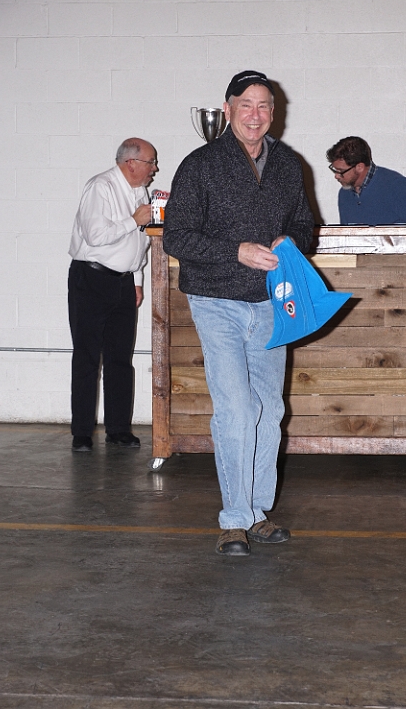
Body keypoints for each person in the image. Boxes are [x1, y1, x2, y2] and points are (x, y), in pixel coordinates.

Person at [164, 70, 314, 556]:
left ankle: (257, 513)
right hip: (217, 302)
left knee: (270, 409)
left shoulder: (288, 164)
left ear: (274, 112)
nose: (256, 114)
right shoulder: (200, 164)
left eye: (264, 105)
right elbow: (176, 237)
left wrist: (292, 240)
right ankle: (233, 520)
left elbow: (305, 224)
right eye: (246, 104)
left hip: (271, 303)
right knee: (237, 409)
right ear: (228, 109)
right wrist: (237, 251)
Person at [68, 137, 158, 452]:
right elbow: (95, 235)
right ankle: (82, 433)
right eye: (150, 162)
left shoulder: (140, 191)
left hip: (124, 282)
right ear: (130, 163)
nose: (154, 169)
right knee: (87, 357)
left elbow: (140, 241)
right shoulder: (100, 187)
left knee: (121, 358)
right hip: (92, 279)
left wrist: (138, 279)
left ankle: (118, 429)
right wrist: (134, 220)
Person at [326, 136, 406, 226]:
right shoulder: (345, 194)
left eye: (341, 171)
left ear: (359, 167)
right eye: (335, 170)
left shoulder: (396, 186)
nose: (336, 176)